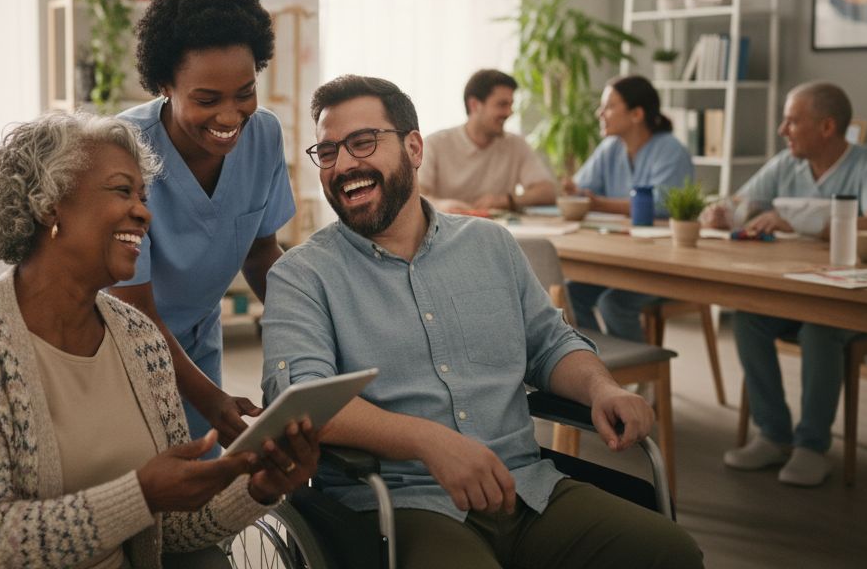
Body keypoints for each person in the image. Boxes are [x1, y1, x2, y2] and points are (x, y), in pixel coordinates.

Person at [261, 75, 703, 568]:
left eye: (362, 143)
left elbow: (550, 344)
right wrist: (431, 442)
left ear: (413, 148)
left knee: (672, 554)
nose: (343, 165)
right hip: (398, 505)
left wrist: (604, 389)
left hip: (526, 487)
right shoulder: (302, 275)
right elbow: (300, 403)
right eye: (327, 152)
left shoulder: (490, 245)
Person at [0, 112, 320, 569]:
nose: (144, 212)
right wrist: (139, 494)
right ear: (48, 205)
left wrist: (258, 485)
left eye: (143, 195)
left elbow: (172, 527)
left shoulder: (141, 341)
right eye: (122, 191)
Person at [110, 0, 295, 447]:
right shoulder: (121, 150)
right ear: (164, 85)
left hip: (196, 339)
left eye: (245, 93)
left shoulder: (265, 137)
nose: (231, 117)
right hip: (119, 344)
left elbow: (260, 251)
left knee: (203, 489)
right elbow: (134, 307)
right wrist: (211, 398)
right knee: (140, 484)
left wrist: (308, 327)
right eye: (207, 100)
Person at [703, 82, 867, 487]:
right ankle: (773, 433)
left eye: (792, 120)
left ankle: (812, 446)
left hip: (857, 299)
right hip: (795, 291)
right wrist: (722, 212)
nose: (783, 129)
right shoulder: (787, 163)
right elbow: (742, 203)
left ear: (828, 126)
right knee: (748, 319)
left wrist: (804, 224)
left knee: (821, 327)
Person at [562, 75, 695, 342]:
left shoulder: (670, 149)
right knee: (569, 294)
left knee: (614, 303)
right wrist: (571, 189)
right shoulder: (610, 148)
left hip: (664, 264)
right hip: (619, 257)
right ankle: (601, 366)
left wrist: (599, 203)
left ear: (637, 113)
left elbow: (662, 205)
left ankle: (640, 373)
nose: (600, 113)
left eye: (609, 106)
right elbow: (582, 189)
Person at [420, 69, 556, 214]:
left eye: (511, 105)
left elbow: (548, 191)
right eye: (502, 105)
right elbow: (415, 196)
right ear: (474, 105)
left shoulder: (516, 145)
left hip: (497, 232)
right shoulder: (435, 144)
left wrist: (507, 200)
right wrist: (443, 206)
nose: (509, 113)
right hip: (445, 230)